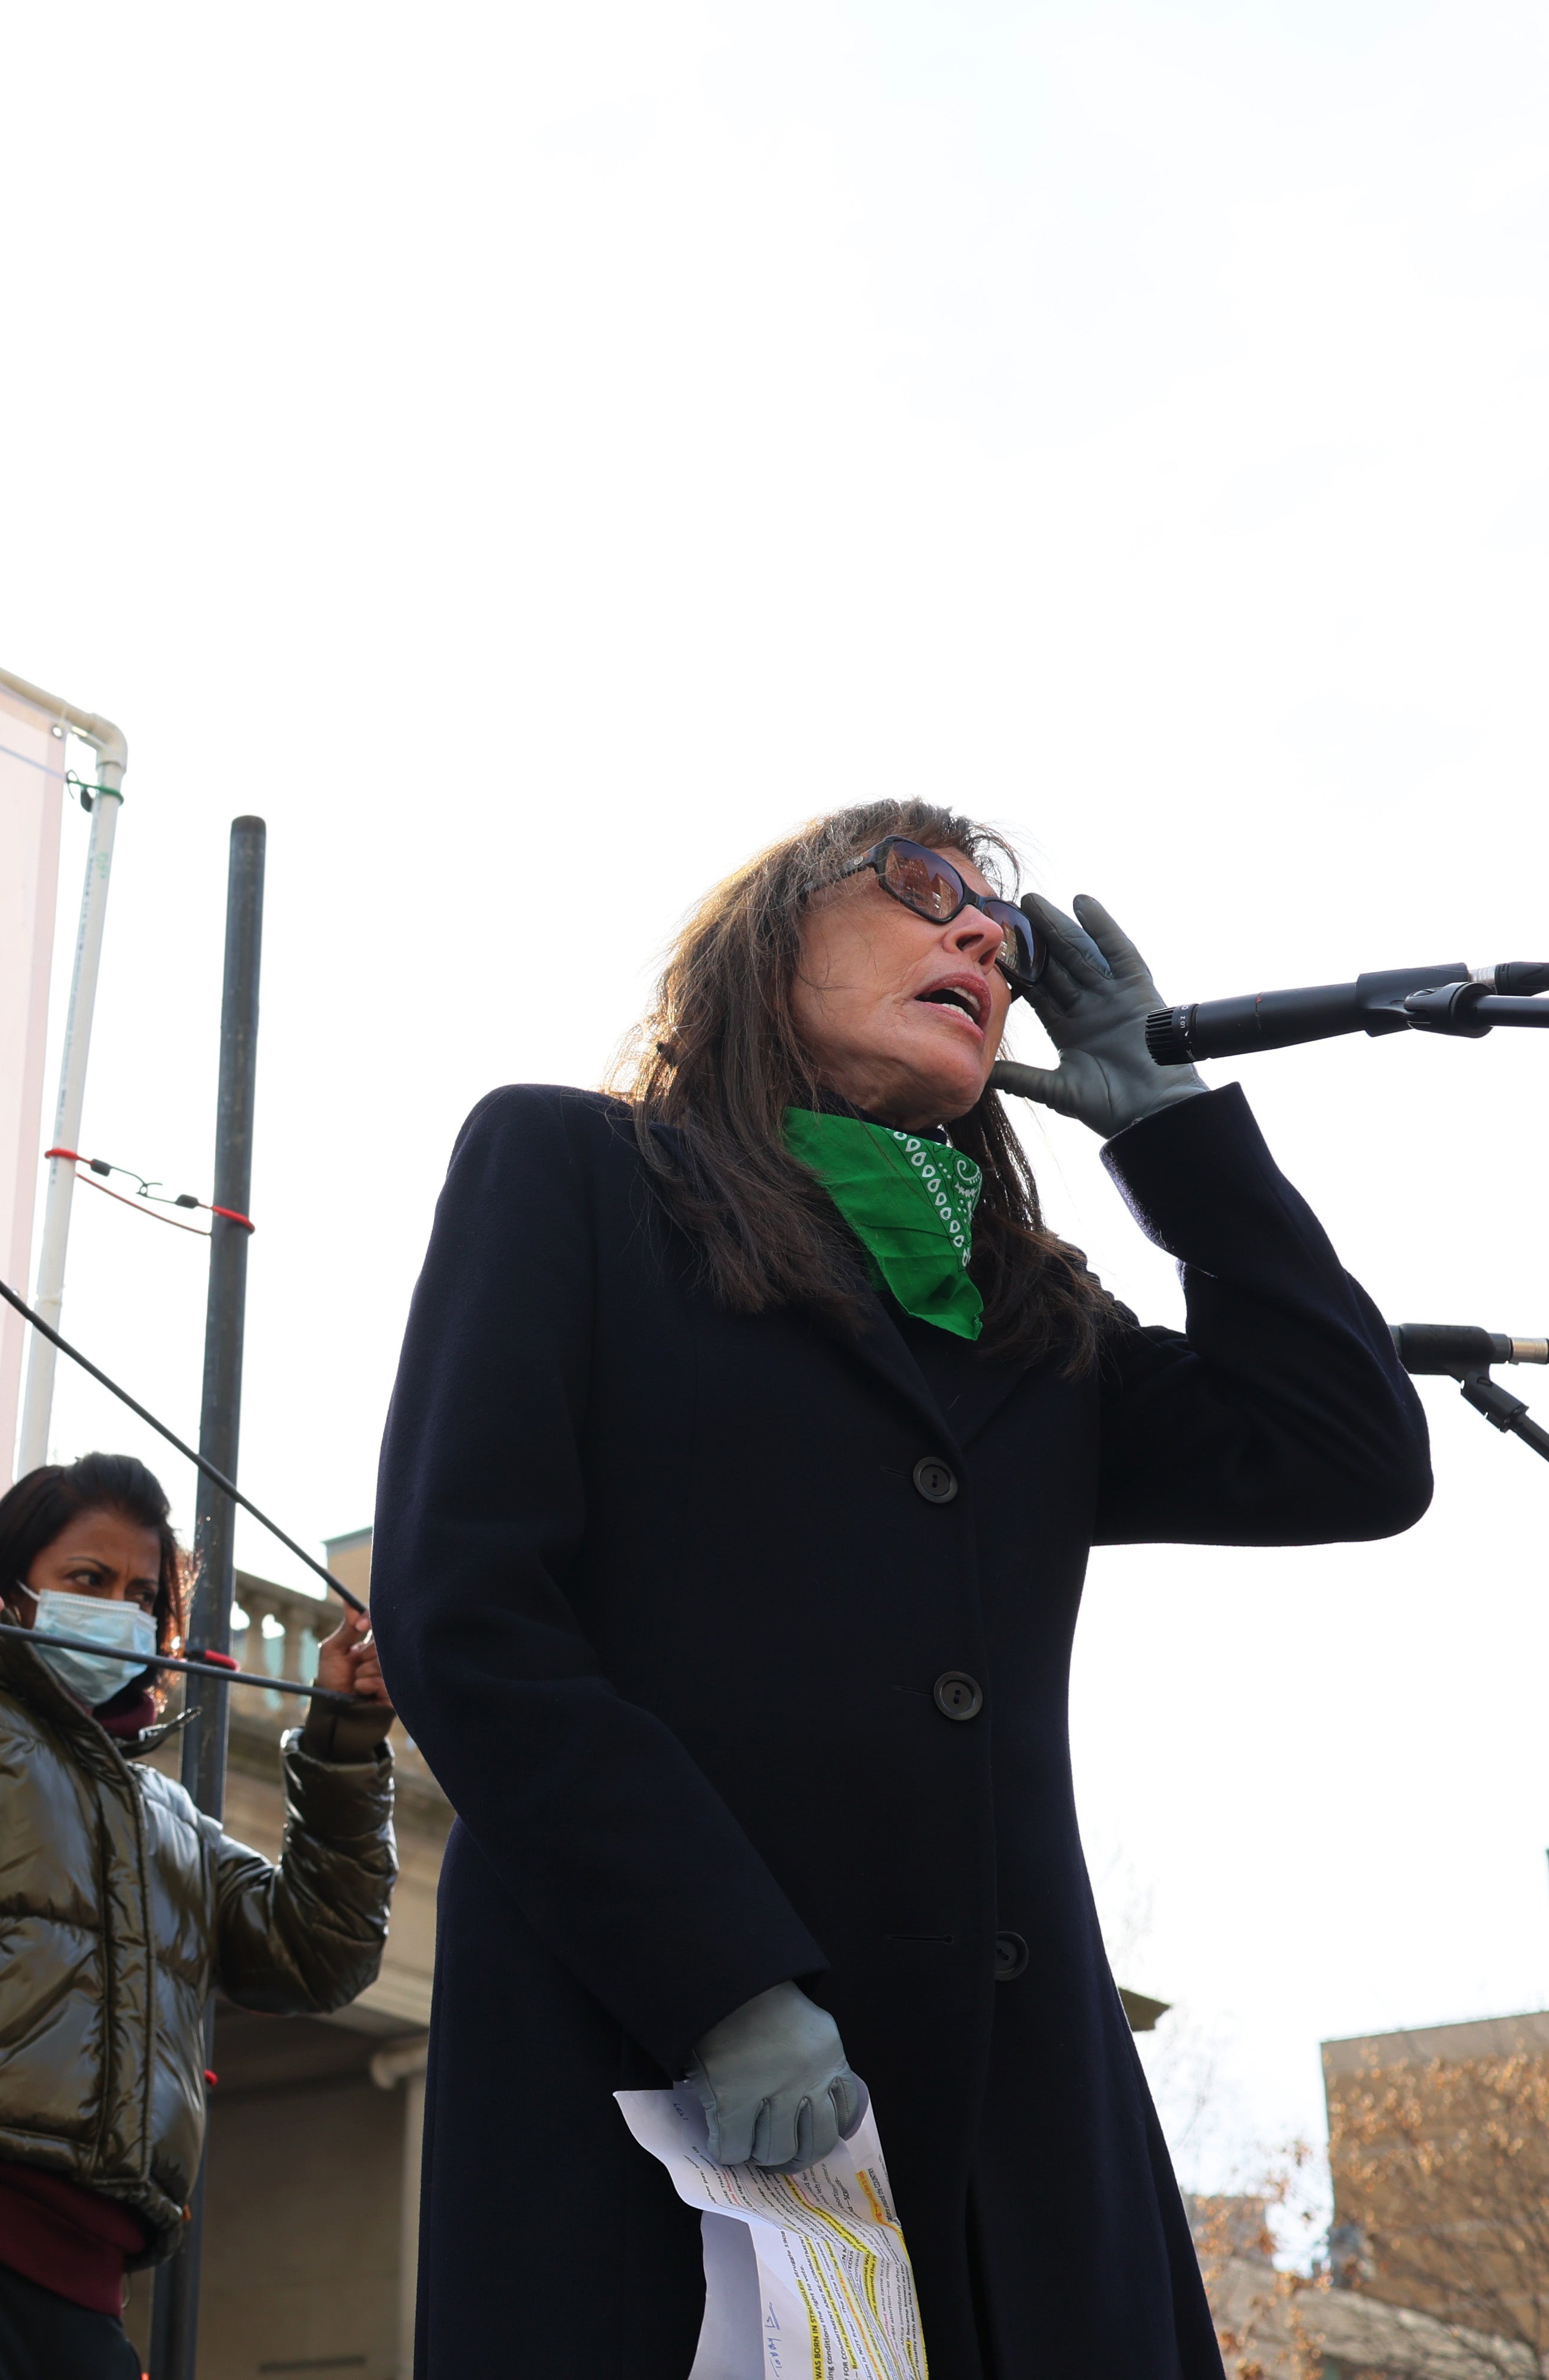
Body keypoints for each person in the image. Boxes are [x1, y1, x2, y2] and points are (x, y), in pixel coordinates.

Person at [373, 801, 1429, 2378]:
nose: (985, 936)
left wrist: (1177, 1137)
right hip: (678, 2084)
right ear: (767, 942)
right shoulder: (574, 1169)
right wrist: (715, 1977)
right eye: (925, 887)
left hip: (1024, 2146)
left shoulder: (1023, 1309)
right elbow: (470, 1615)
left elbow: (1349, 1455)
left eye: (998, 916)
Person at [0, 1452, 401, 2380]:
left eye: (143, 1594)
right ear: (13, 1589)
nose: (119, 1608)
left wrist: (345, 1742)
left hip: (87, 2307)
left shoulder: (168, 1820)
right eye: (88, 1579)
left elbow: (319, 1956)